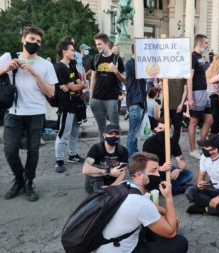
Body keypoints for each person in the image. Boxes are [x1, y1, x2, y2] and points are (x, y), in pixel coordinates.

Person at [0, 27, 57, 201]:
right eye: (32, 39)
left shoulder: (46, 65)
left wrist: (36, 74)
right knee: (10, 150)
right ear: (23, 40)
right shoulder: (8, 57)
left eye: (38, 41)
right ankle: (19, 179)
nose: (34, 43)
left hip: (36, 112)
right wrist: (5, 70)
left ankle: (28, 182)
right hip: (13, 111)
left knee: (33, 151)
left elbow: (51, 93)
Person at [96, 152, 188, 253]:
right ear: (139, 175)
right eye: (154, 171)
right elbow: (171, 232)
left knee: (157, 221)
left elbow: (148, 203)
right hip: (125, 250)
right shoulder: (140, 203)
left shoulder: (124, 185)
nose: (158, 175)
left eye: (158, 170)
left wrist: (166, 213)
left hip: (106, 245)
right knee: (180, 242)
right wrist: (169, 198)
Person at [54, 40, 87, 173]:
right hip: (66, 104)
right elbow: (76, 85)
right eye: (72, 50)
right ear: (64, 51)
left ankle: (72, 155)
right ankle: (59, 160)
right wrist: (76, 86)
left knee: (74, 132)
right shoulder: (60, 67)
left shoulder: (72, 65)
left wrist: (77, 86)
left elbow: (79, 84)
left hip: (75, 103)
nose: (74, 53)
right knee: (64, 133)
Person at [90, 33, 126, 141]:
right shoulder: (96, 58)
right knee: (101, 128)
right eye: (96, 45)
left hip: (111, 99)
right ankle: (103, 150)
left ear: (107, 43)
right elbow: (93, 79)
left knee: (114, 127)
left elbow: (124, 79)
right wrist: (91, 98)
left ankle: (116, 150)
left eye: (100, 44)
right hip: (97, 99)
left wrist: (116, 71)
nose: (98, 47)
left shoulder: (116, 59)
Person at [142, 118, 193, 195]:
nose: (162, 131)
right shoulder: (149, 143)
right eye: (160, 128)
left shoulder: (172, 142)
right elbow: (144, 165)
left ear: (170, 130)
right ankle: (179, 188)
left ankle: (169, 187)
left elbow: (182, 162)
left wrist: (179, 170)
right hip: (154, 171)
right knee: (151, 181)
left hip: (167, 170)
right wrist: (159, 168)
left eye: (165, 129)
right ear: (156, 129)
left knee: (189, 174)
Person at [187, 34, 213, 160]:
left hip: (204, 91)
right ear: (199, 44)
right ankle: (192, 150)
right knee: (194, 121)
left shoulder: (201, 57)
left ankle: (201, 147)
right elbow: (189, 78)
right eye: (206, 43)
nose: (207, 46)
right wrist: (190, 97)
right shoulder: (192, 56)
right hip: (197, 92)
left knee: (209, 120)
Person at [82, 124, 128, 194]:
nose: (113, 136)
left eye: (116, 134)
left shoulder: (123, 150)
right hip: (97, 182)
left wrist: (111, 187)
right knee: (94, 167)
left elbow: (122, 173)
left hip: (114, 184)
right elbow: (85, 170)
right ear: (104, 135)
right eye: (110, 134)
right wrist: (108, 172)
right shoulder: (96, 148)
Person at [125, 44, 147, 161]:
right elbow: (145, 71)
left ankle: (133, 153)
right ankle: (130, 157)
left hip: (139, 102)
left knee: (135, 131)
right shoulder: (131, 64)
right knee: (133, 133)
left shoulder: (137, 64)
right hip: (135, 102)